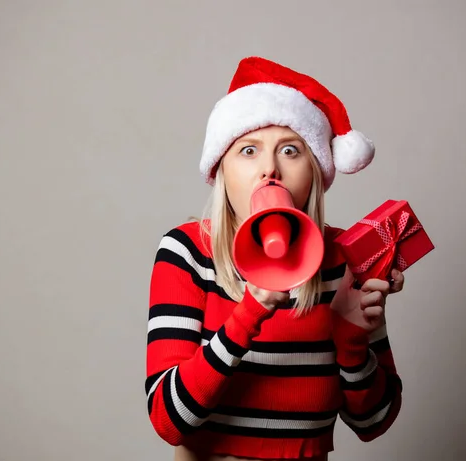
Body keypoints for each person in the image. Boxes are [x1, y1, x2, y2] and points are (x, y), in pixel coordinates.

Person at [145, 56, 405, 461]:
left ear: (316, 170)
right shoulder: (188, 251)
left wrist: (352, 339)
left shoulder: (348, 260)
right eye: (248, 150)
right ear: (222, 169)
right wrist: (251, 310)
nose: (270, 170)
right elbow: (167, 420)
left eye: (290, 150)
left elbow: (375, 423)